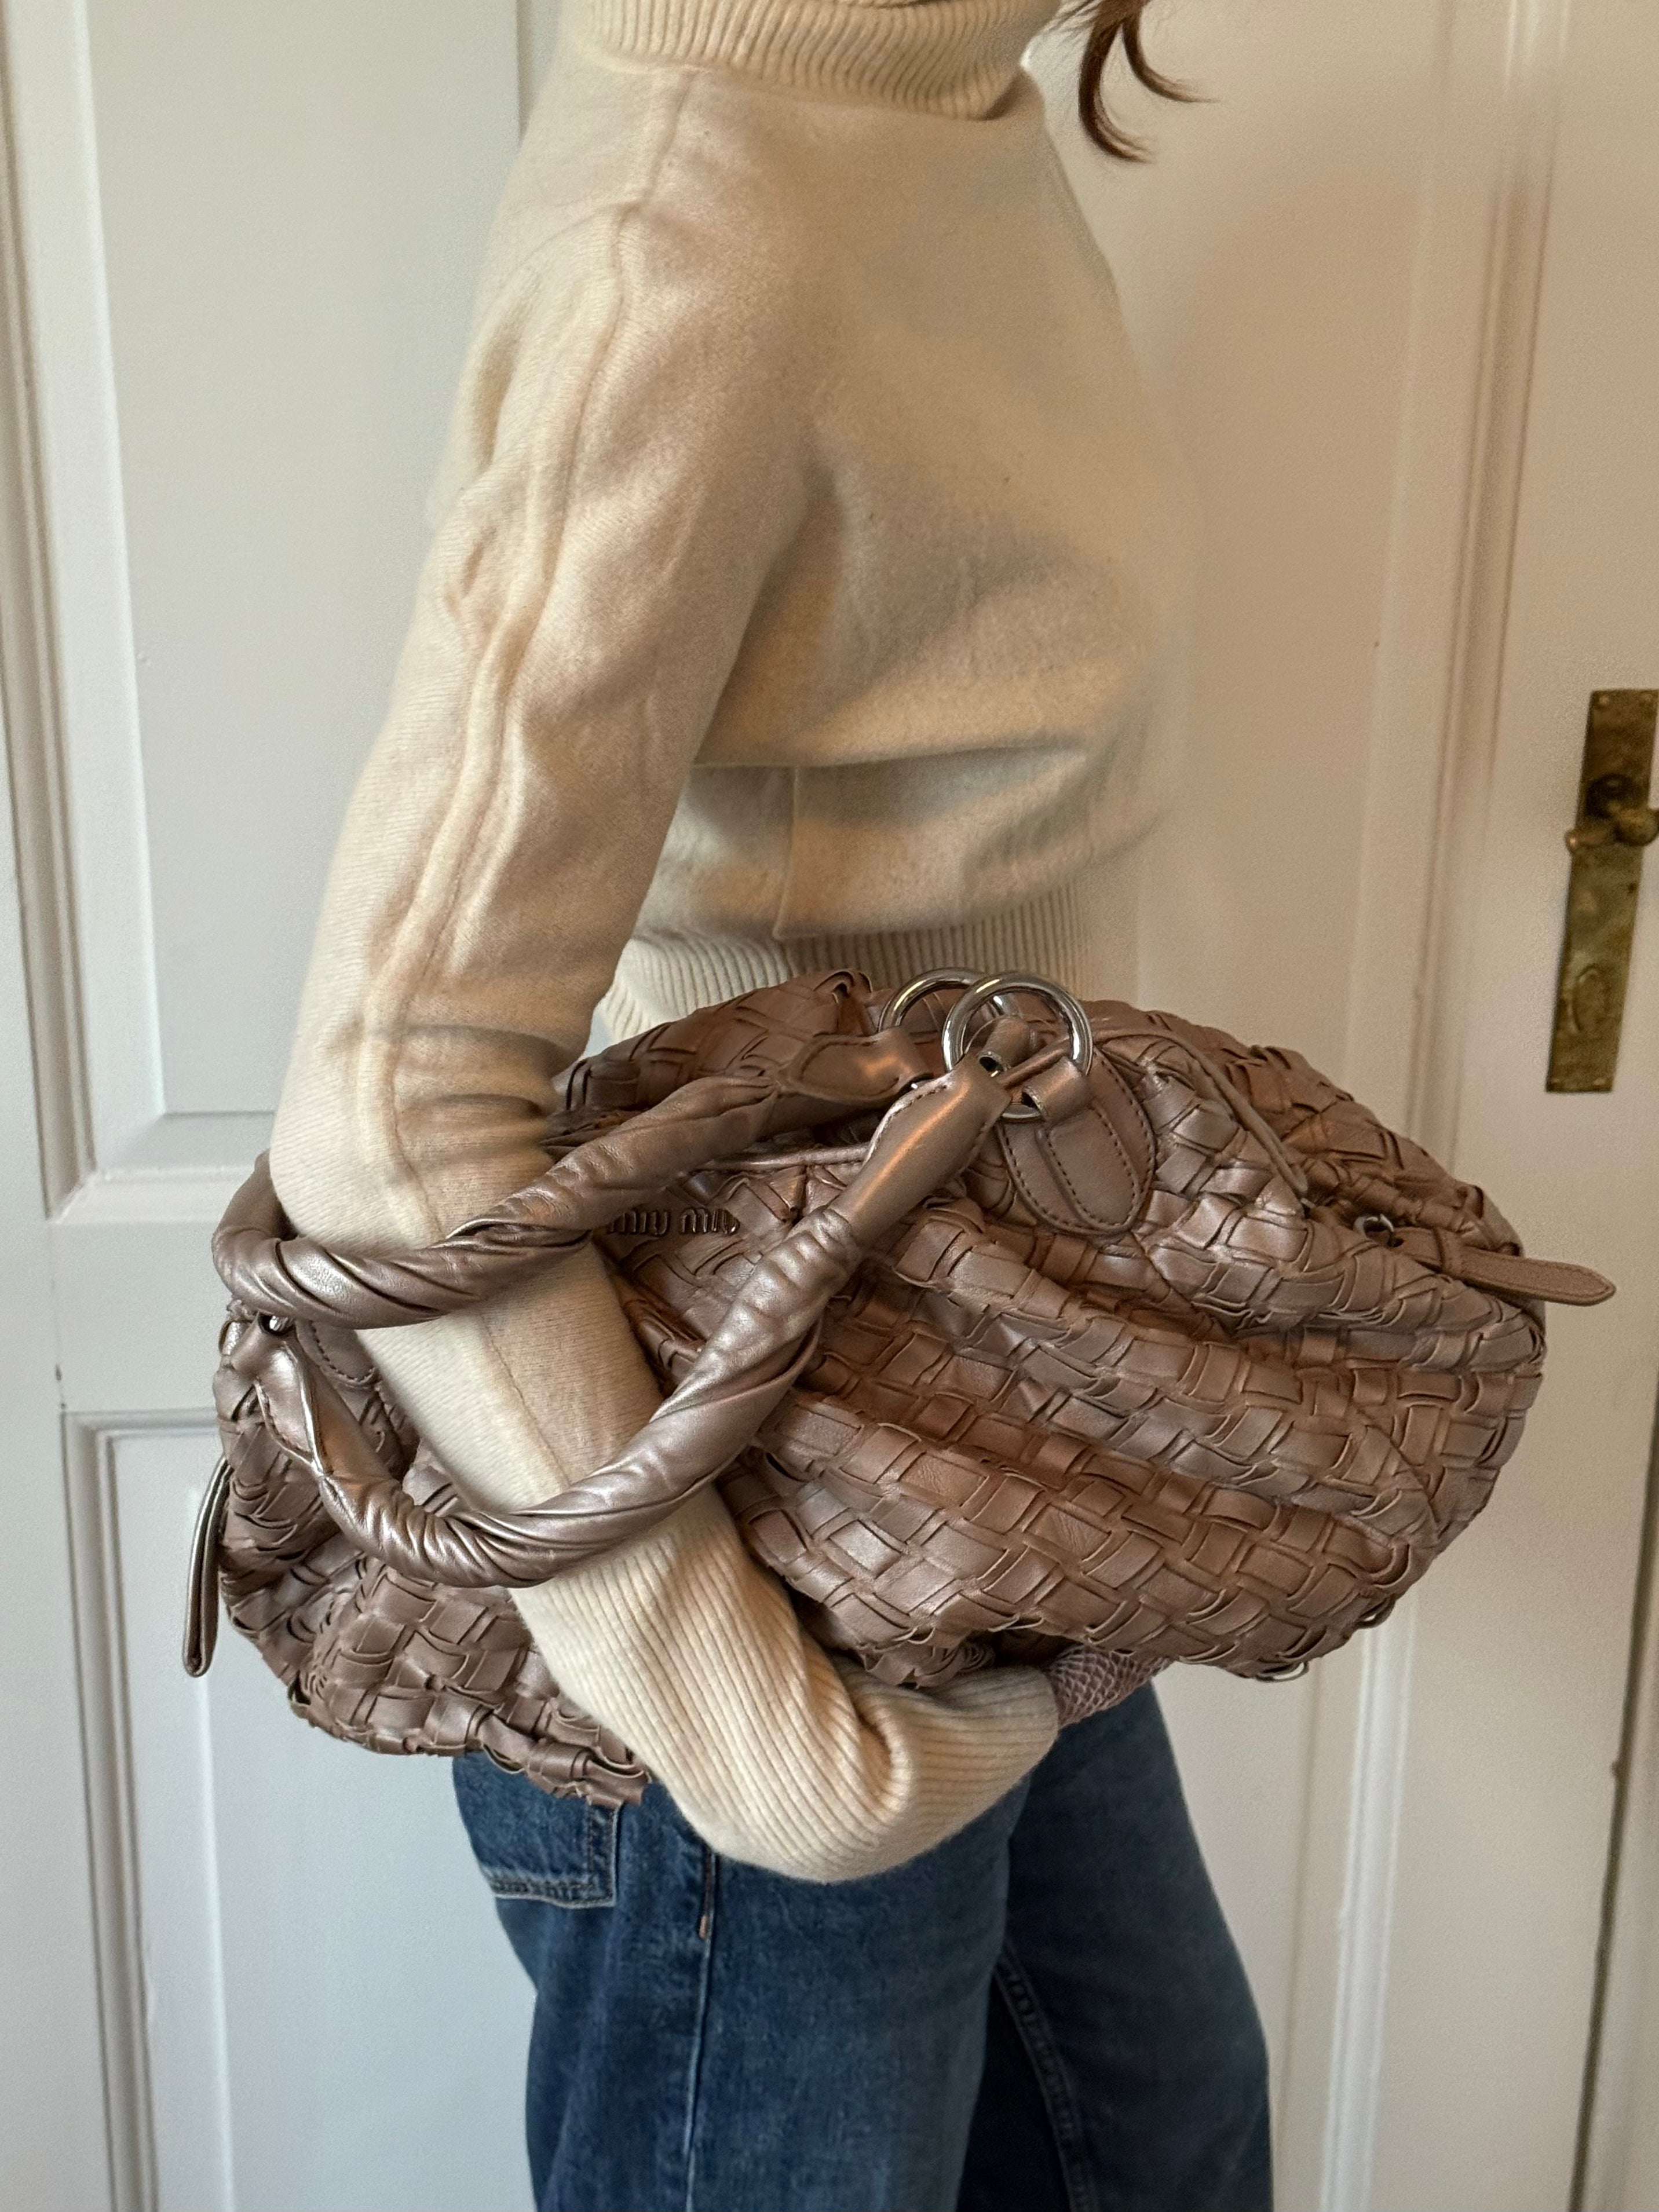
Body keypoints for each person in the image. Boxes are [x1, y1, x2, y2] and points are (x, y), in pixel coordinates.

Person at [271, 0, 1271, 2201]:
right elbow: (384, 1107)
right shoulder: (697, 238)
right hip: (753, 1536)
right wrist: (769, 1743)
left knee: (1166, 2140)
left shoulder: (944, 102)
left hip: (970, 1449)